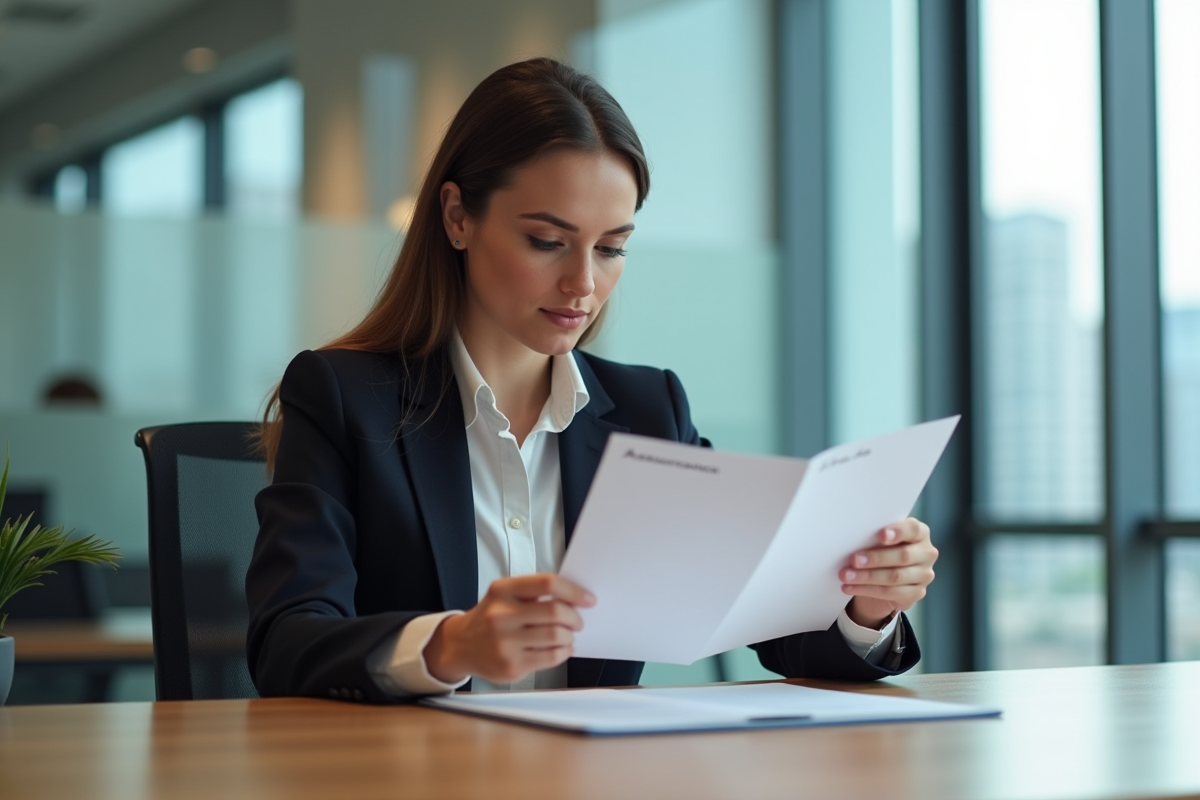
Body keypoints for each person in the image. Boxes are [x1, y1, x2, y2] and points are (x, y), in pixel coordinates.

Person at [246, 57, 937, 703]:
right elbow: (286, 641)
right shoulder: (342, 397)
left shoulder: (647, 411)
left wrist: (865, 604)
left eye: (611, 248)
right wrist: (451, 643)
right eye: (547, 241)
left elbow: (772, 625)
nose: (583, 283)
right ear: (458, 217)